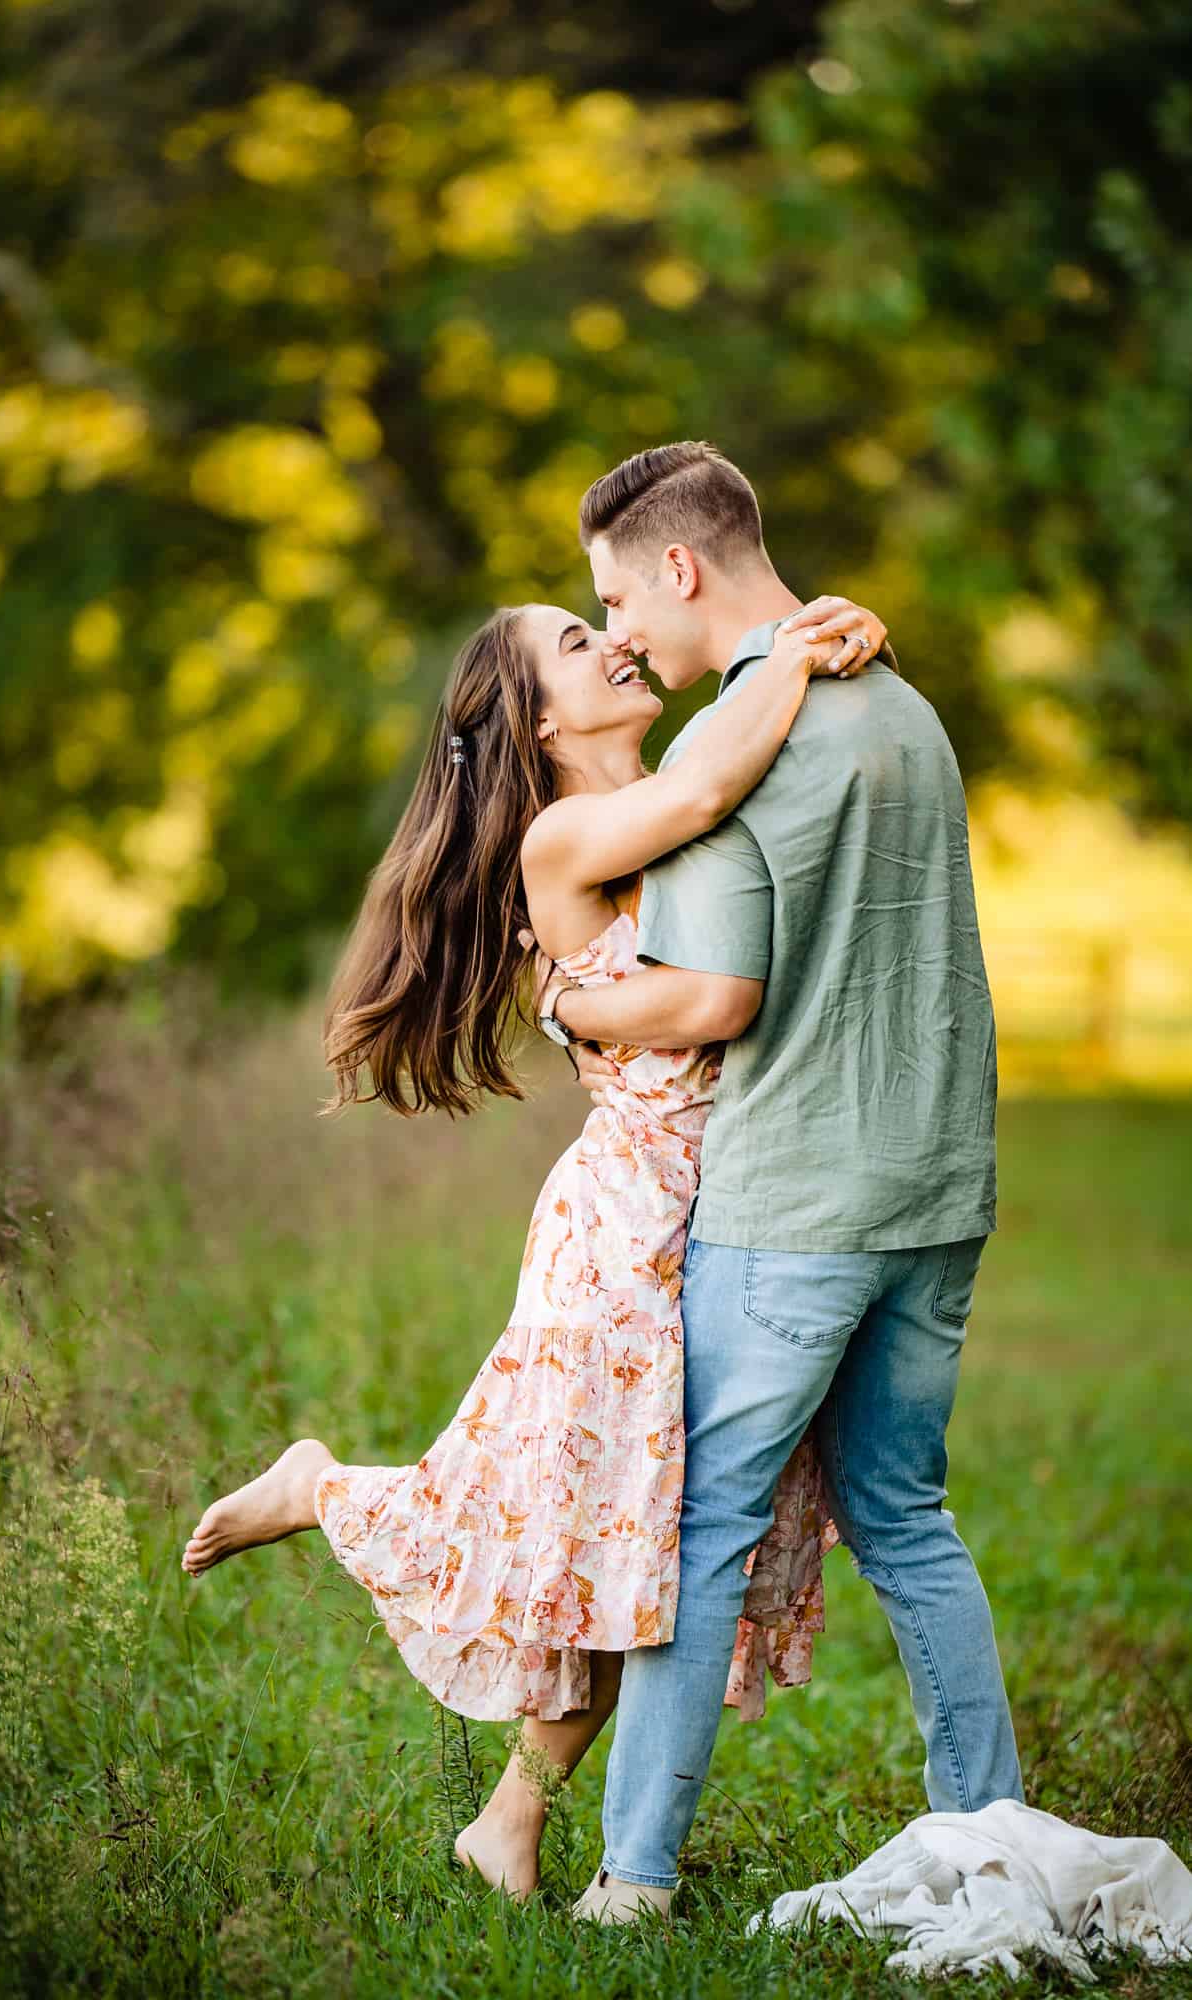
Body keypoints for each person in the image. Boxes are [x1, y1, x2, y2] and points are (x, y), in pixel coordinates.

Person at [180, 567, 889, 1899]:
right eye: (577, 642)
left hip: (728, 1222)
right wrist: (791, 649)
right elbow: (704, 803)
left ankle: (509, 1821)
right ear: (537, 719)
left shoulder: (669, 799)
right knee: (588, 1536)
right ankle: (323, 1488)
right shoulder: (567, 842)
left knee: (641, 1548)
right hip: (621, 1245)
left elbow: (733, 794)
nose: (613, 642)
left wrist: (832, 627)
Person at [532, 441, 1022, 1925]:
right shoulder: (909, 711)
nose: (620, 632)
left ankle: (634, 1878)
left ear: (680, 567)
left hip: (794, 1196)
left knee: (707, 1526)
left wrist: (567, 1002)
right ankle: (994, 1839)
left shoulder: (722, 759)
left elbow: (711, 989)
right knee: (906, 1515)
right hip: (939, 1183)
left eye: (619, 596)